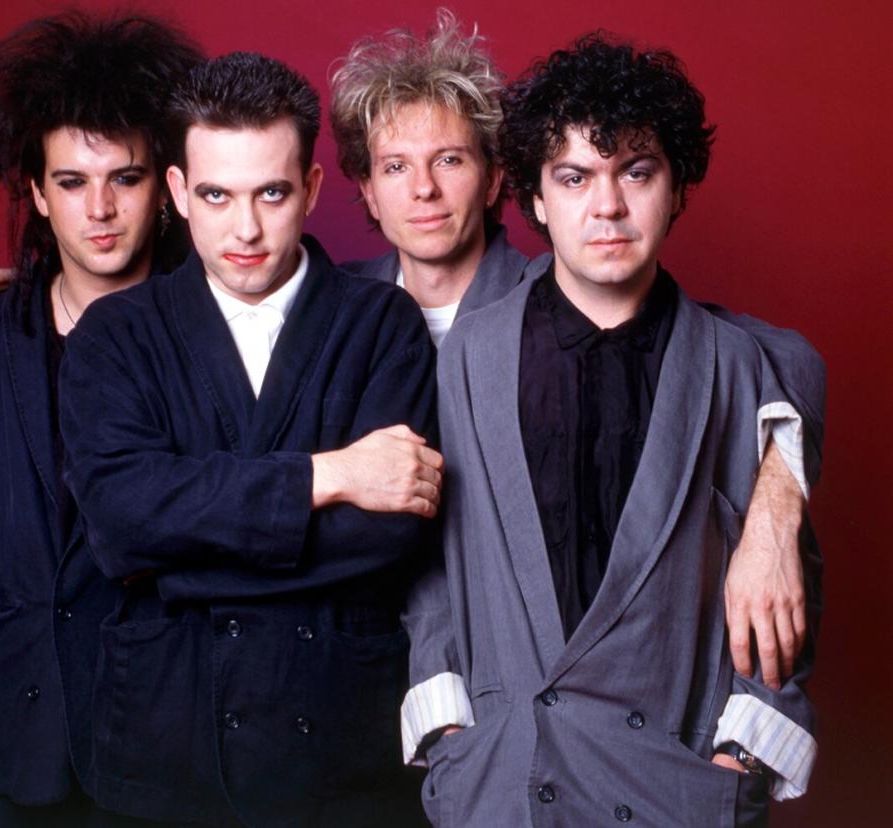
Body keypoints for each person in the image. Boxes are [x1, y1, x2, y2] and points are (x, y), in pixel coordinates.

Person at [326, 13, 822, 753]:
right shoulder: (337, 314)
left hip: (635, 727)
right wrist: (450, 734)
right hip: (390, 704)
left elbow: (776, 357)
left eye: (450, 161)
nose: (423, 190)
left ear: (499, 178)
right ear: (363, 188)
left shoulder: (564, 296)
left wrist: (776, 508)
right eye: (394, 166)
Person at [58, 52, 440, 826]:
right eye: (216, 195)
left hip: (338, 745)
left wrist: (179, 568)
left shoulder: (380, 323)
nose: (246, 228)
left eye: (271, 192)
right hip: (167, 742)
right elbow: (122, 523)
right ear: (176, 194)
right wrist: (324, 477)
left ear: (313, 188)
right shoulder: (117, 335)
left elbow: (386, 536)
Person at [0, 13, 201, 826]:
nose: (99, 209)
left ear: (164, 187)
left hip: (166, 739)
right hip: (9, 744)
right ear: (36, 194)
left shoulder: (220, 334)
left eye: (123, 178)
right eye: (71, 182)